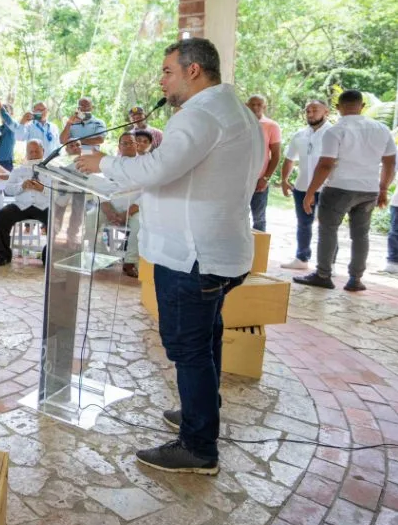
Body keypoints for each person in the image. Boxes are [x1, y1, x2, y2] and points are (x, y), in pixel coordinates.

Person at [75, 37, 261, 475]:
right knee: (207, 336)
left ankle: (198, 446)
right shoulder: (236, 111)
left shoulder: (200, 115)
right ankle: (202, 410)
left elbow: (158, 169)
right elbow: (180, 176)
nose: (162, 81)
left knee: (188, 348)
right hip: (220, 249)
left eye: (167, 71)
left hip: (191, 255)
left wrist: (104, 164)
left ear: (193, 70)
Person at [293, 90, 396, 292]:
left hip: (339, 188)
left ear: (338, 107)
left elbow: (326, 164)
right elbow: (390, 162)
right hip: (368, 190)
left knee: (328, 230)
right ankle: (355, 279)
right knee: (361, 235)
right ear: (362, 106)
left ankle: (323, 275)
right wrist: (383, 188)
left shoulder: (336, 131)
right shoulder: (381, 129)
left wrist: (310, 192)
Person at [279, 100, 333, 271]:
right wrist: (284, 180)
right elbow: (289, 159)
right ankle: (302, 258)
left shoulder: (334, 134)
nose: (310, 114)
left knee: (327, 226)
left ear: (326, 112)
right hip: (302, 187)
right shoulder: (300, 135)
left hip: (327, 188)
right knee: (303, 224)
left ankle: (329, 264)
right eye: (307, 111)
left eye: (314, 110)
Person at [87, 133, 142, 277]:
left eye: (131, 143)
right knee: (90, 218)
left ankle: (130, 262)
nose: (128, 145)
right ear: (119, 147)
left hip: (135, 209)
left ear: (137, 145)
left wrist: (127, 213)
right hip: (110, 207)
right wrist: (108, 210)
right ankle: (100, 257)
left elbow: (147, 194)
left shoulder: (143, 165)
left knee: (139, 224)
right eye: (124, 143)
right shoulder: (110, 164)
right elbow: (99, 188)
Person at [0, 140, 50, 266]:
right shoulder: (18, 170)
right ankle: (4, 255)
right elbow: (8, 190)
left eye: (37, 151)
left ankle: (47, 256)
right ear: (27, 153)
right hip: (21, 205)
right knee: (3, 215)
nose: (34, 154)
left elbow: (57, 192)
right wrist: (22, 186)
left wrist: (42, 188)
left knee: (55, 220)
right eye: (31, 152)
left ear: (43, 151)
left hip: (43, 206)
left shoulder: (51, 170)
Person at [246, 94, 281, 232]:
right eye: (252, 104)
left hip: (259, 180)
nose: (255, 107)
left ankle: (259, 246)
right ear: (246, 105)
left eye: (259, 104)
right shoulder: (239, 123)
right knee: (237, 217)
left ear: (264, 107)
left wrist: (265, 178)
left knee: (259, 218)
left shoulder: (271, 126)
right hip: (240, 179)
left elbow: (276, 155)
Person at [0, 101, 24, 170]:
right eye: (2, 110)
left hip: (7, 163)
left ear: (11, 113)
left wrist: (0, 107)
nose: (3, 112)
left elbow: (8, 119)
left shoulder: (13, 126)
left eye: (6, 110)